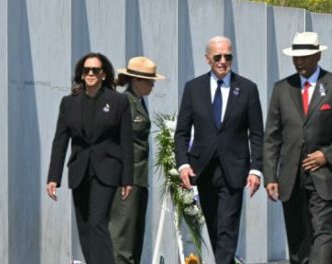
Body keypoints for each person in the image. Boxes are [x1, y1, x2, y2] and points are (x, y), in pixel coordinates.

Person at [263, 32, 332, 264]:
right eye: (295, 56)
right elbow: (272, 137)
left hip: (325, 176)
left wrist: (326, 155)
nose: (298, 61)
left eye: (304, 57)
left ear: (317, 55)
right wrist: (270, 176)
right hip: (290, 177)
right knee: (297, 240)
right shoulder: (281, 88)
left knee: (322, 233)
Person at [174, 36, 263, 264]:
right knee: (214, 226)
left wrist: (256, 170)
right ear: (207, 59)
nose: (223, 61)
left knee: (228, 227)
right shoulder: (193, 88)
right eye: (218, 57)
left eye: (228, 56)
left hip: (234, 170)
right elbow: (182, 132)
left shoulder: (247, 89)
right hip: (202, 170)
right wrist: (183, 163)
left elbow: (256, 134)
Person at [46, 52, 133, 264]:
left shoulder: (118, 101)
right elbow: (60, 141)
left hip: (107, 170)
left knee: (97, 223)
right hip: (80, 170)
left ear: (104, 75)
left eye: (96, 70)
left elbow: (126, 141)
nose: (91, 73)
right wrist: (53, 177)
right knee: (84, 227)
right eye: (87, 70)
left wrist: (127, 178)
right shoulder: (69, 103)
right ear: (81, 75)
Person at [109, 56, 165, 264]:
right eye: (149, 81)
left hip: (138, 180)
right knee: (123, 241)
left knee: (135, 239)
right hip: (127, 182)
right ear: (135, 80)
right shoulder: (124, 103)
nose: (152, 85)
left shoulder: (138, 102)